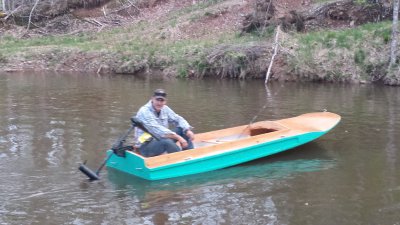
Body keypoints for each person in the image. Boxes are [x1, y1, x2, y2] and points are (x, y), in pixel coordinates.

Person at [133, 89, 195, 157]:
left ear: (165, 101)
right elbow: (157, 130)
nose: (159, 103)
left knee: (182, 129)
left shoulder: (165, 108)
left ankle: (191, 154)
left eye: (162, 100)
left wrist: (187, 130)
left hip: (158, 140)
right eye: (157, 100)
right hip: (144, 147)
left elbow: (178, 119)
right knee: (166, 142)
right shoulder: (144, 111)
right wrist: (179, 138)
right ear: (152, 99)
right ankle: (181, 158)